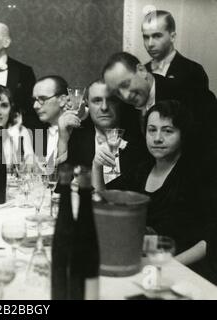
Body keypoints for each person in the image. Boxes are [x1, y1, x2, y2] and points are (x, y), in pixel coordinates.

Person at [92, 100, 217, 262]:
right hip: (141, 258)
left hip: (184, 266)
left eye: (167, 131)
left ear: (183, 134)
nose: (157, 138)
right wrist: (96, 167)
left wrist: (170, 266)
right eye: (152, 130)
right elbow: (104, 201)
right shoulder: (142, 169)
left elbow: (211, 238)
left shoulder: (196, 175)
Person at [66, 79, 147, 182]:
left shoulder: (139, 141)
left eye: (111, 100)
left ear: (120, 103)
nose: (104, 107)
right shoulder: (77, 140)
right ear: (87, 104)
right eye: (97, 101)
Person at [141, 10, 209, 90]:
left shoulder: (193, 71)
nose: (150, 44)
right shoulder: (142, 71)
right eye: (146, 37)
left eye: (157, 36)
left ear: (172, 37)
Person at [32, 75, 88, 166]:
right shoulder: (36, 131)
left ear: (62, 100)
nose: (35, 106)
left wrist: (83, 111)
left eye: (42, 99)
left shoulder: (81, 129)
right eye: (34, 100)